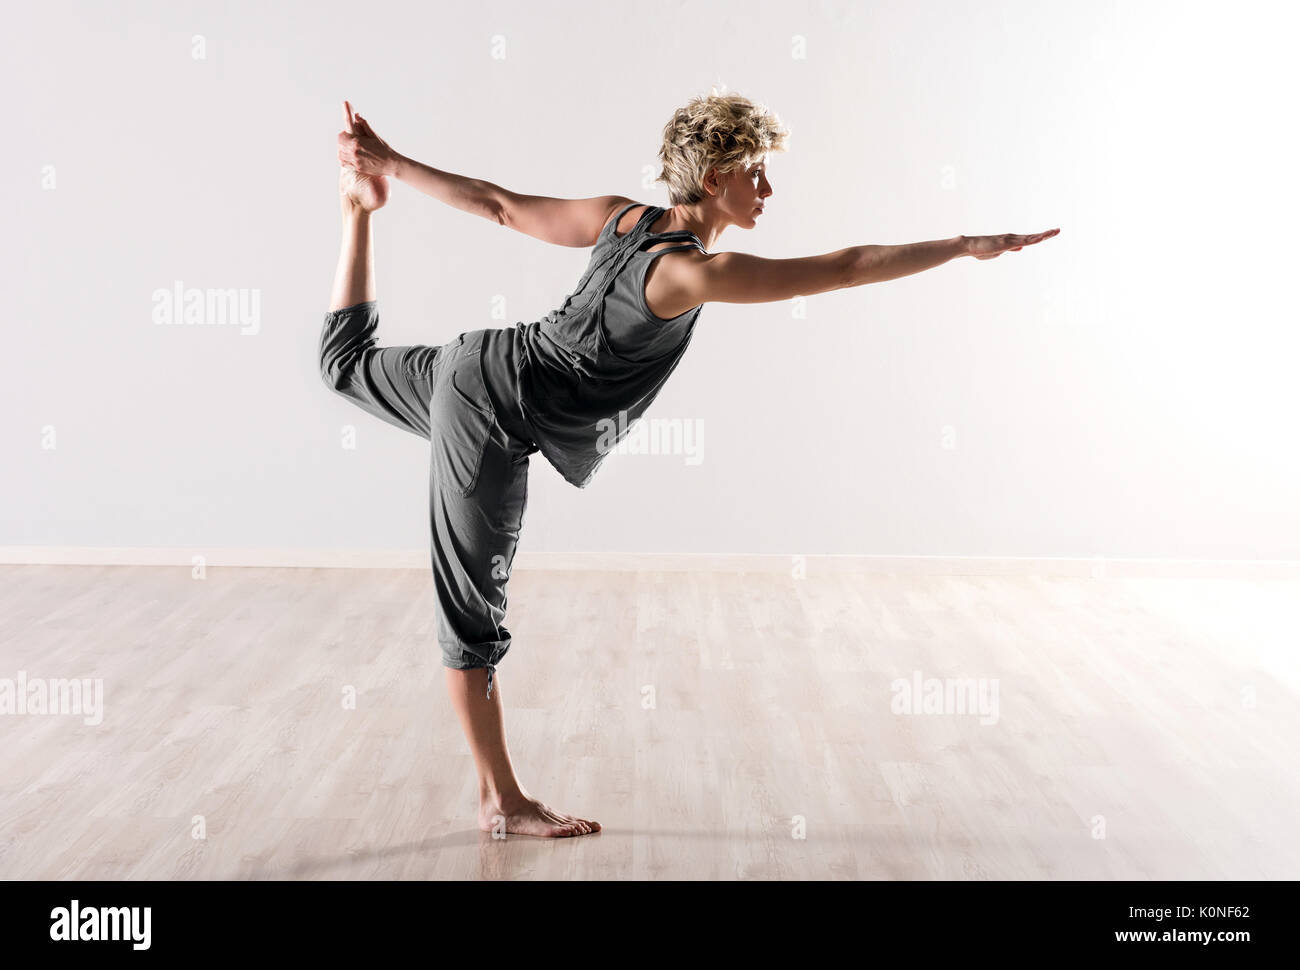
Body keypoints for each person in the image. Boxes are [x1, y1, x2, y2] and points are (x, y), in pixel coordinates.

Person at [321, 92, 1058, 838]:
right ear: (713, 179)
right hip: (490, 416)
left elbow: (500, 207)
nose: (767, 189)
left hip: (476, 362)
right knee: (473, 617)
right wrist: (962, 246)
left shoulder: (620, 217)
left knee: (342, 366)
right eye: (755, 174)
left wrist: (390, 168)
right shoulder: (688, 274)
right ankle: (500, 801)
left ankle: (357, 209)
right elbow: (845, 267)